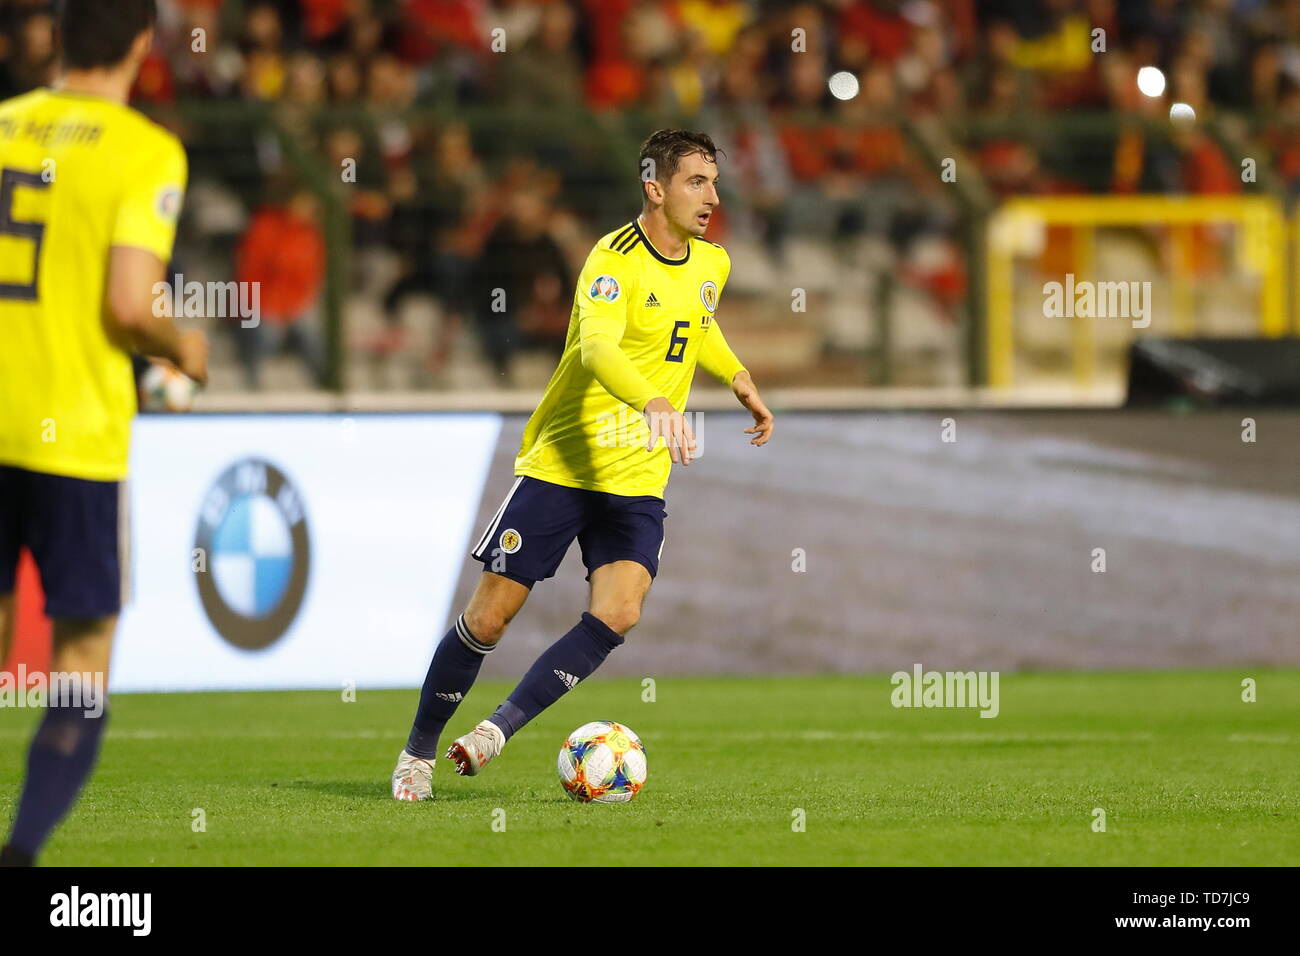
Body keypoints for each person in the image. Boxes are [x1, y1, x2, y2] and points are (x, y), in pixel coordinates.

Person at [391, 129, 773, 801]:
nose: (712, 196)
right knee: (489, 619)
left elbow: (698, 321)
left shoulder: (713, 262)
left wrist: (737, 376)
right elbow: (597, 348)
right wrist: (655, 400)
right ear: (654, 188)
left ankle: (496, 731)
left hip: (635, 479)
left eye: (714, 181)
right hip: (565, 463)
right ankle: (417, 754)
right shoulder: (611, 258)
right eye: (696, 182)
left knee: (620, 610)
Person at [0, 0, 207, 865]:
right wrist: (183, 342)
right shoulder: (144, 149)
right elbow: (129, 303)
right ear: (137, 45)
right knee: (81, 656)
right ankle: (20, 856)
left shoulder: (5, 124)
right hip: (73, 439)